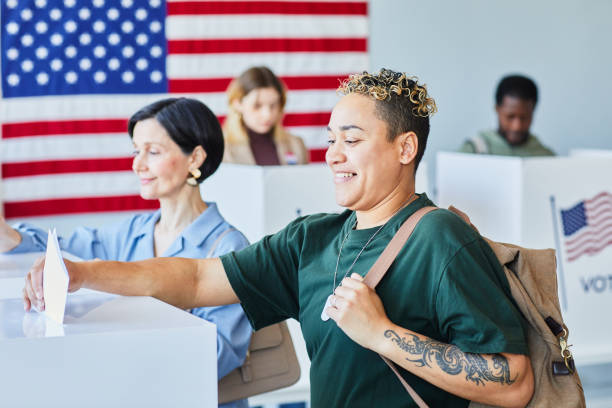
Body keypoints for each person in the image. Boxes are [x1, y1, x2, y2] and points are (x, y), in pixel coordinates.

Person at [24, 70, 535, 408]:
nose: (333, 154)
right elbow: (197, 277)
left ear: (405, 148)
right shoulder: (310, 238)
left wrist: (381, 332)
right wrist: (83, 274)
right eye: (330, 139)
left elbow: (515, 381)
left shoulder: (440, 237)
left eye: (351, 140)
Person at [5, 98, 252, 408]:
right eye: (137, 151)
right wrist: (8, 235)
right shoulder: (132, 231)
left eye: (153, 151)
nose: (138, 164)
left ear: (195, 158)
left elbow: (217, 355)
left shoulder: (230, 247)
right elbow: (64, 251)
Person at [222, 66, 309, 165]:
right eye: (257, 106)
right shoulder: (222, 150)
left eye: (273, 105)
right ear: (237, 104)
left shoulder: (296, 145)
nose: (267, 115)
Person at [459, 74, 555, 156]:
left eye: (524, 117)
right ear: (497, 109)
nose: (517, 127)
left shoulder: (546, 156)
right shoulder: (473, 150)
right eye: (510, 116)